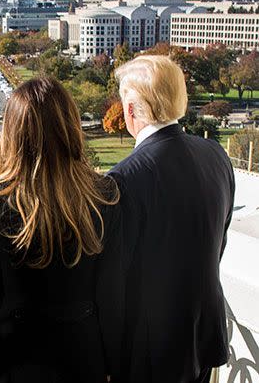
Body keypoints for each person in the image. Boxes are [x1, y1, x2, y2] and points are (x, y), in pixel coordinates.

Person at [0, 76, 119, 383]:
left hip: (14, 362)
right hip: (83, 361)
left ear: (13, 131)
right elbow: (113, 297)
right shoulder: (105, 196)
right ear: (70, 125)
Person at [97, 55, 235, 383]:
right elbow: (218, 240)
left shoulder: (121, 182)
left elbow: (111, 284)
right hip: (203, 340)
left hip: (148, 356)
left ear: (130, 110)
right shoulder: (216, 155)